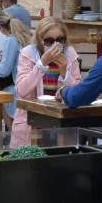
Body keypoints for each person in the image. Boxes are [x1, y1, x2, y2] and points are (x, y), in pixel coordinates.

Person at [11, 17, 83, 146]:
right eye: (49, 41)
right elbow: (21, 90)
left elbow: (79, 91)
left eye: (60, 39)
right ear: (40, 40)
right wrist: (41, 64)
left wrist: (65, 73)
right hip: (33, 120)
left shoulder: (70, 54)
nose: (56, 45)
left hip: (62, 119)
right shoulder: (28, 54)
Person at [0, 10, 32, 130]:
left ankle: (14, 136)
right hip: (36, 85)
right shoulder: (28, 34)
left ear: (1, 28)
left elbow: (3, 71)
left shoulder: (11, 38)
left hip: (22, 89)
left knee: (3, 96)